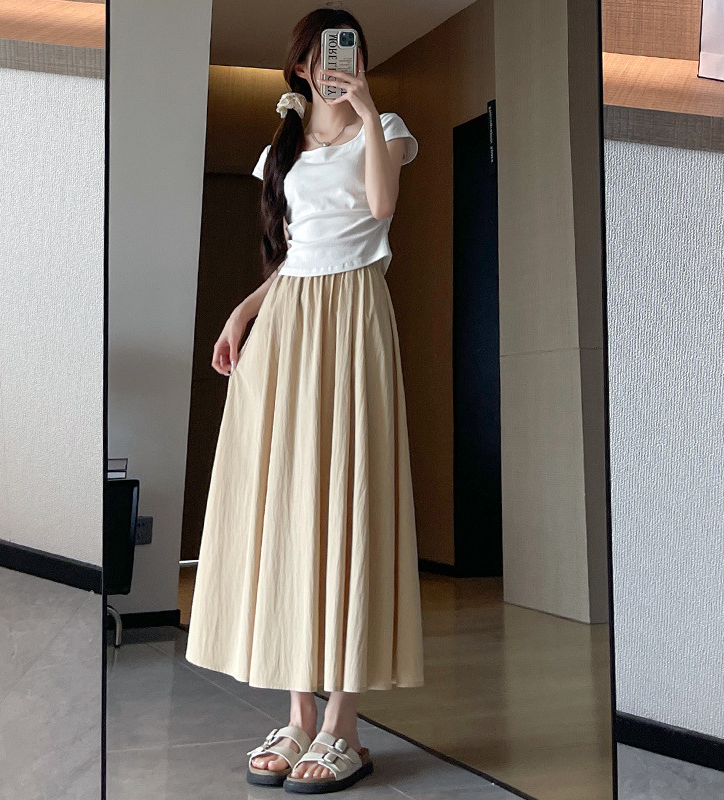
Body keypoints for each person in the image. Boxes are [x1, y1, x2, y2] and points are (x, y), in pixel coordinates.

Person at [185, 6, 424, 794]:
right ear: (298, 66)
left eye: (346, 52)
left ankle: (343, 726)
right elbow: (294, 256)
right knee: (287, 502)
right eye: (321, 55)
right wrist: (242, 311)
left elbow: (380, 210)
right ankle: (297, 715)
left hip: (353, 315)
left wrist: (366, 111)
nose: (334, 65)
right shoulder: (280, 149)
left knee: (350, 499)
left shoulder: (385, 128)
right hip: (289, 319)